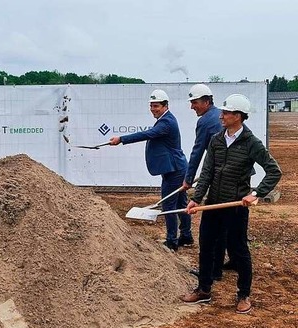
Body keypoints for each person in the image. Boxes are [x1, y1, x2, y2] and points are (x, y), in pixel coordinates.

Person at [180, 94, 281, 314]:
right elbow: (207, 172)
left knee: (239, 250)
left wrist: (256, 193)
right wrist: (197, 198)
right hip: (213, 203)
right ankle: (204, 290)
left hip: (235, 206)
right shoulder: (216, 139)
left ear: (238, 116)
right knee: (206, 246)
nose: (221, 116)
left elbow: (274, 171)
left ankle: (243, 295)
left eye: (225, 113)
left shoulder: (252, 143)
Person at [109, 89, 192, 251]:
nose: (153, 109)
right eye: (151, 106)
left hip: (174, 170)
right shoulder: (165, 119)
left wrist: (121, 139)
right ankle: (186, 236)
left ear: (165, 106)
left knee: (170, 205)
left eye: (157, 106)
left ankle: (172, 241)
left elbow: (147, 134)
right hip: (177, 168)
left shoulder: (166, 122)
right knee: (181, 204)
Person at [185, 84, 226, 281]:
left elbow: (197, 151)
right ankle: (232, 259)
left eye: (195, 102)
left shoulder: (206, 121)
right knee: (231, 221)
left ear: (206, 102)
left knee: (212, 225)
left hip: (222, 178)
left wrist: (188, 179)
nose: (192, 106)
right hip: (236, 175)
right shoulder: (219, 115)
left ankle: (213, 271)